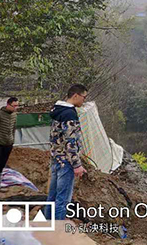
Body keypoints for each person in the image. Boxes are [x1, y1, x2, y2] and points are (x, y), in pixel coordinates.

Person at [44, 84, 87, 220]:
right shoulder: (69, 115)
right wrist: (77, 165)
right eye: (83, 97)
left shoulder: (58, 110)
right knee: (63, 199)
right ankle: (57, 232)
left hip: (56, 158)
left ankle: (47, 226)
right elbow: (71, 142)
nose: (84, 101)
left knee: (53, 195)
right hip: (66, 162)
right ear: (75, 96)